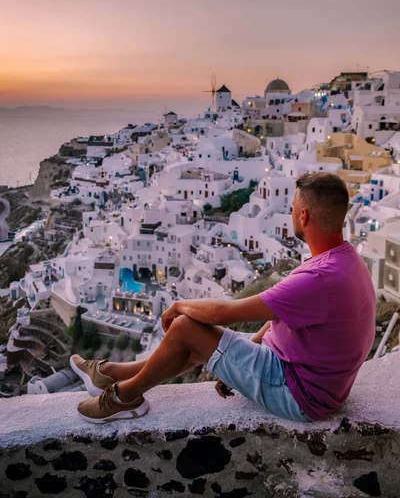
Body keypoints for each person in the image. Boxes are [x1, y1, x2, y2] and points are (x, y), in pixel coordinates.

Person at [71, 172, 376, 424]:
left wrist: (177, 306)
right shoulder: (345, 260)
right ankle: (111, 374)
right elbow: (276, 318)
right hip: (309, 377)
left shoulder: (318, 278)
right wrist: (239, 362)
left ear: (303, 215)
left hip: (298, 394)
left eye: (292, 208)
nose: (291, 214)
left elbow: (222, 313)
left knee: (186, 328)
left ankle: (126, 397)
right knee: (197, 339)